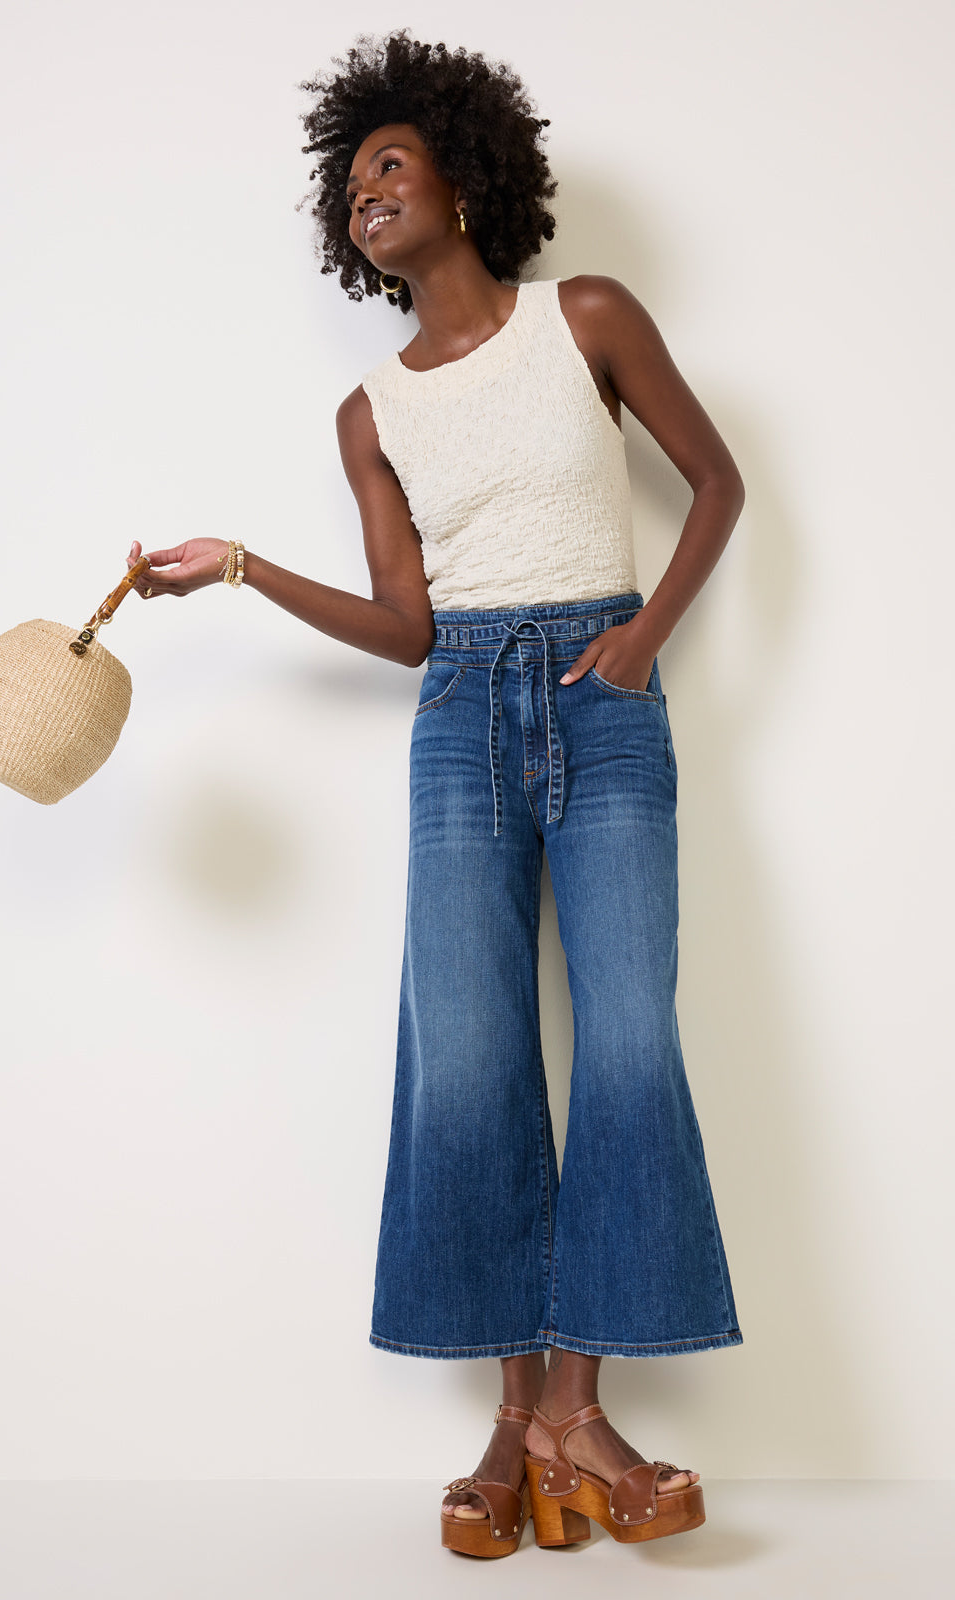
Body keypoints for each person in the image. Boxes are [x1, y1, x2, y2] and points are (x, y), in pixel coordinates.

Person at [130, 30, 744, 1561]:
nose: (365, 195)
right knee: (468, 1063)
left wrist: (642, 641)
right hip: (461, 713)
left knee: (629, 1042)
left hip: (605, 703)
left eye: (389, 165)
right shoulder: (370, 414)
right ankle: (515, 1417)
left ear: (465, 182)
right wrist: (245, 567)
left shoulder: (585, 318)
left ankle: (573, 1415)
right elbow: (409, 629)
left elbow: (718, 483)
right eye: (349, 187)